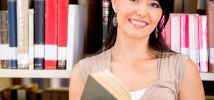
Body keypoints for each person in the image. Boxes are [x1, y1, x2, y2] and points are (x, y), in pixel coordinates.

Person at [69, 0, 205, 99]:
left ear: (161, 14)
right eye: (134, 0)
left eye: (154, 4)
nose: (142, 12)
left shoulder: (183, 69)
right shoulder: (83, 72)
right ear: (115, 3)